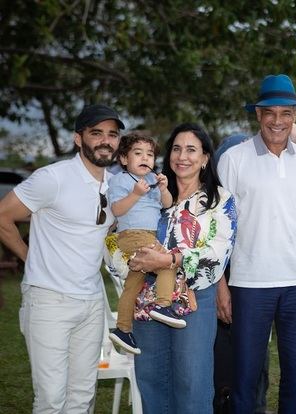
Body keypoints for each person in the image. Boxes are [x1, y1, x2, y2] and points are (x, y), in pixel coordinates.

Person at [0, 104, 124, 412]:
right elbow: (3, 217)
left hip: (93, 300)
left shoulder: (116, 185)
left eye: (112, 134)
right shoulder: (52, 178)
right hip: (49, 300)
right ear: (78, 139)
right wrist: (32, 258)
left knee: (83, 395)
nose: (105, 140)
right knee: (51, 399)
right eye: (96, 133)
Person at [217, 74, 296, 413]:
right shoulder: (234, 159)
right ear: (258, 114)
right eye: (270, 112)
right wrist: (221, 285)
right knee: (245, 377)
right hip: (250, 282)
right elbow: (218, 229)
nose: (278, 121)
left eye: (286, 113)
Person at [126, 123, 237, 413]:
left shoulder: (219, 201)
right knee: (151, 379)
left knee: (192, 382)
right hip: (146, 298)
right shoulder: (151, 196)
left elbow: (218, 252)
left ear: (205, 158)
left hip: (194, 300)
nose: (182, 156)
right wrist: (130, 260)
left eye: (191, 149)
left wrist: (170, 260)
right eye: (176, 148)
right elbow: (124, 234)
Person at [107, 133, 179, 356]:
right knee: (168, 263)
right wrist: (136, 194)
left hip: (148, 235)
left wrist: (165, 189)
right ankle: (163, 304)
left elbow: (168, 204)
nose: (145, 158)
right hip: (134, 234)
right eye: (138, 153)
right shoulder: (120, 180)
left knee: (133, 283)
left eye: (149, 154)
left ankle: (122, 329)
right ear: (123, 159)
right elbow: (117, 210)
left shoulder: (152, 179)